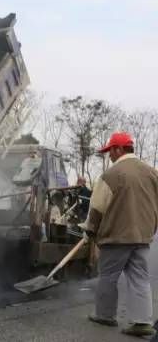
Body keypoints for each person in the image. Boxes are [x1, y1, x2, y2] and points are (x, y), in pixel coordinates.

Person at [81, 132, 158, 337]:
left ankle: (105, 315)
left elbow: (97, 208)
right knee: (140, 278)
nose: (109, 156)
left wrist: (90, 230)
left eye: (110, 152)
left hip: (116, 236)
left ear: (119, 149)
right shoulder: (152, 173)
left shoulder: (111, 175)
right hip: (141, 236)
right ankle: (142, 322)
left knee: (108, 276)